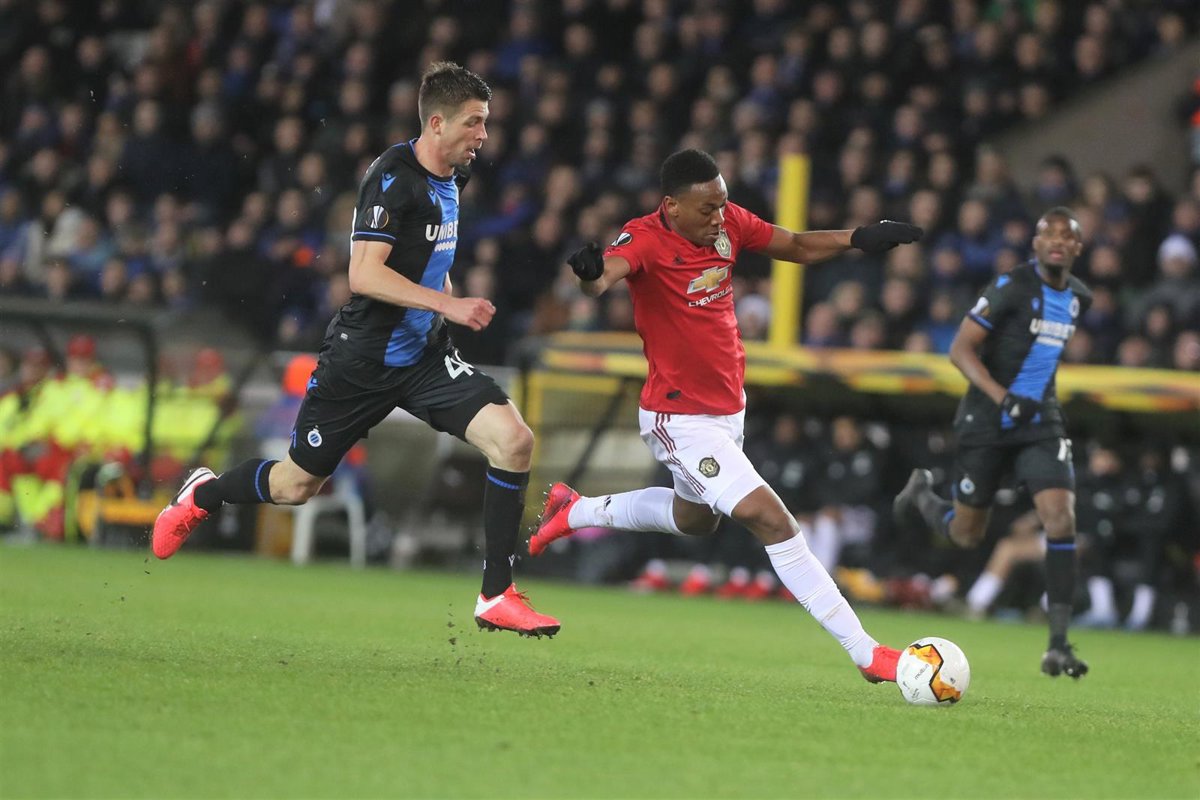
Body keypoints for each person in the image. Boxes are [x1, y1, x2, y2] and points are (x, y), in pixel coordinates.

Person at [151, 62, 559, 638]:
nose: (483, 135)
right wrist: (449, 305)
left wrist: (443, 302)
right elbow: (364, 275)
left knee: (514, 440)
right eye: (474, 122)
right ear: (436, 123)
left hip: (423, 358)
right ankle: (205, 494)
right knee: (296, 486)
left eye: (486, 122)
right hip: (362, 360)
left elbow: (430, 254)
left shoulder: (455, 176)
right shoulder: (392, 178)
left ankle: (496, 595)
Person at [529, 148, 922, 683]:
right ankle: (866, 653)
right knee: (772, 519)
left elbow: (795, 245)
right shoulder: (643, 237)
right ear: (671, 206)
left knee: (694, 520)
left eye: (722, 204)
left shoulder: (728, 222)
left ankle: (574, 510)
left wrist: (858, 237)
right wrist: (590, 276)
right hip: (678, 418)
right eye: (707, 208)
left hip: (728, 410)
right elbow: (603, 279)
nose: (719, 217)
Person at [893, 206, 1093, 678]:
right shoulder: (1011, 286)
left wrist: (1029, 403)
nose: (1058, 241)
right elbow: (959, 350)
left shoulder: (1079, 298)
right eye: (1049, 234)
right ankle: (923, 496)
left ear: (1078, 248)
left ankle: (1058, 645)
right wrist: (1004, 398)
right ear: (1036, 244)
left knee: (1060, 518)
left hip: (1041, 422)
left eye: (1067, 235)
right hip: (987, 420)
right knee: (967, 534)